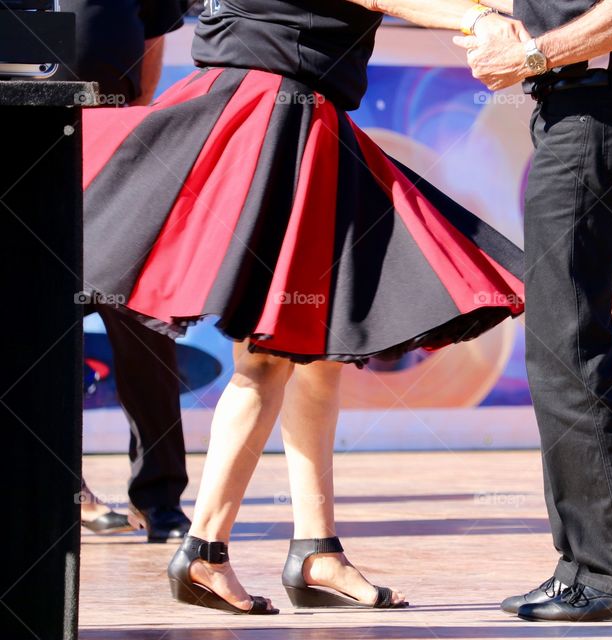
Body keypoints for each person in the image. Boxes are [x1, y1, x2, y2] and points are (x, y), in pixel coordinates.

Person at [81, 0, 526, 615]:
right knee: (269, 357)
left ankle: (317, 553)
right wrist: (480, 21)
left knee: (316, 353)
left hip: (274, 115)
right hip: (276, 121)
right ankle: (205, 550)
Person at [454, 0, 612, 623]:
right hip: (580, 106)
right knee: (563, 341)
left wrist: (528, 55)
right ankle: (589, 565)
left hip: (596, 109)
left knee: (567, 343)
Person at [57, 0, 192, 542]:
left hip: (114, 159)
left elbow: (150, 46)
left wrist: (128, 127)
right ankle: (64, 492)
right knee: (37, 344)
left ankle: (160, 500)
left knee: (144, 324)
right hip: (22, 165)